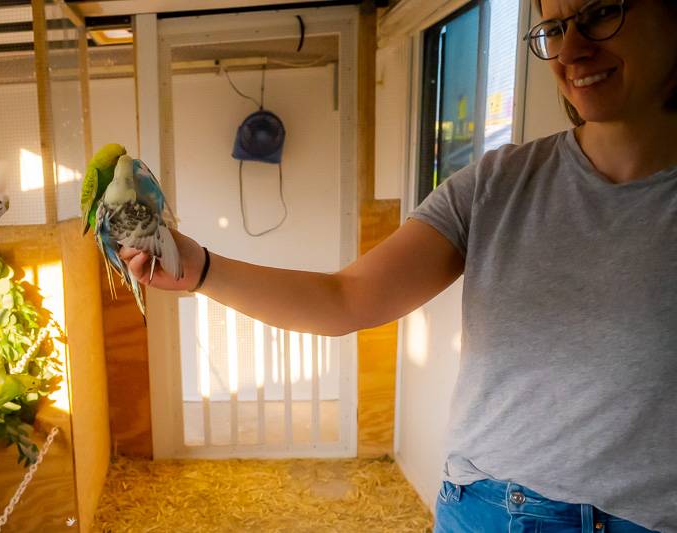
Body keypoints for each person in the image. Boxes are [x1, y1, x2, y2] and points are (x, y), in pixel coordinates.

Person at [121, 0, 677, 530]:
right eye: (554, 28)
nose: (572, 49)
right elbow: (348, 298)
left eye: (602, 13)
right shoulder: (498, 183)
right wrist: (201, 270)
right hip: (483, 511)